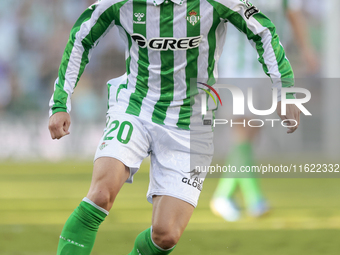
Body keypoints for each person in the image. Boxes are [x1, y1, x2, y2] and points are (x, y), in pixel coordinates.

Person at [48, 0, 300, 254]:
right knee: (101, 193)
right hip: (135, 108)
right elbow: (82, 37)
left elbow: (263, 31)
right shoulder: (122, 3)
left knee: (165, 235)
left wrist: (284, 90)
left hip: (190, 123)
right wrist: (60, 102)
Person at [210, 0, 318, 222]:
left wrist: (307, 50)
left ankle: (224, 195)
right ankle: (255, 199)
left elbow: (293, 15)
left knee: (250, 133)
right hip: (236, 67)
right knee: (242, 128)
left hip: (267, 69)